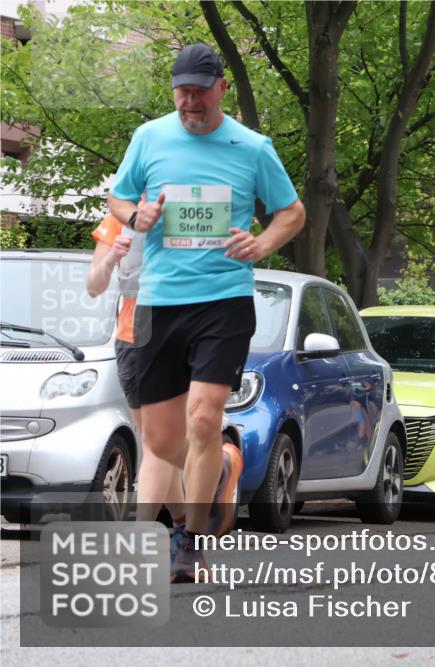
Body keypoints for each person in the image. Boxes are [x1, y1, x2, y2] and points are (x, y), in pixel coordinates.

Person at [107, 44, 305, 582]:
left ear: (221, 88)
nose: (189, 100)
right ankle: (214, 472)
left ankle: (189, 539)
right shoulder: (149, 137)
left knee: (203, 417)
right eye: (181, 90)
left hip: (223, 300)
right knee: (163, 441)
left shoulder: (252, 147)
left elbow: (292, 212)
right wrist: (138, 212)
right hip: (157, 302)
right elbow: (117, 201)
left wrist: (262, 245)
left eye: (199, 89)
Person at [86, 211, 187, 554]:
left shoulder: (188, 210)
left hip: (176, 338)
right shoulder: (119, 219)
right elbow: (95, 285)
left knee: (158, 444)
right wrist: (114, 255)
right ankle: (185, 524)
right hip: (133, 339)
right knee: (157, 443)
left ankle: (140, 538)